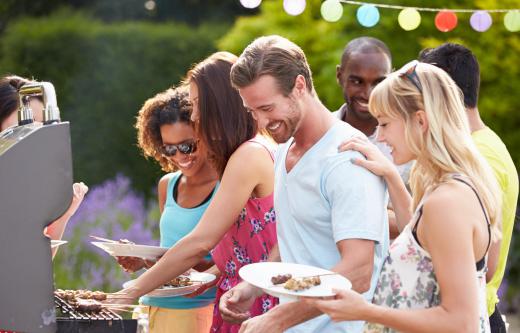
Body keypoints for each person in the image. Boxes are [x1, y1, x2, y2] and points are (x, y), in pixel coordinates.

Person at [308, 61, 502, 333]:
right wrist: (392, 176)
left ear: (420, 121)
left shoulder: (447, 202)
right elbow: (425, 246)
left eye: (385, 123)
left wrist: (365, 310)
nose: (381, 136)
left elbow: (461, 322)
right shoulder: (455, 188)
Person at [220, 35, 388, 333]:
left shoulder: (347, 157)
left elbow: (359, 271)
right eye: (252, 111)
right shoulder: (285, 147)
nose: (260, 122)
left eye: (267, 108)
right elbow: (297, 237)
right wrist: (254, 287)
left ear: (299, 86)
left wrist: (277, 318)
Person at [115, 52, 278, 333]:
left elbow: (202, 241)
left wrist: (128, 293)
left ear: (221, 104)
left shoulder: (249, 154)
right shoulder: (252, 150)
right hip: (242, 299)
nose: (195, 115)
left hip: (252, 304)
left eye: (198, 104)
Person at [419, 43, 519, 333]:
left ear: (445, 93)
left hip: (471, 318)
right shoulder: (476, 146)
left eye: (425, 94)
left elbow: (481, 261)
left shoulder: (479, 157)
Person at [116, 86, 219, 333]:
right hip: (153, 305)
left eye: (187, 146)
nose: (179, 156)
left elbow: (231, 259)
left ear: (204, 135)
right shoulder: (168, 185)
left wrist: (199, 271)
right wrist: (144, 260)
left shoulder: (225, 187)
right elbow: (172, 257)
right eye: (169, 149)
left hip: (196, 312)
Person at [0, 75, 88, 258]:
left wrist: (63, 214)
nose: (35, 139)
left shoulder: (32, 185)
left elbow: (35, 266)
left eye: (42, 128)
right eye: (22, 130)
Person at [335, 37, 412, 239]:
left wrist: (338, 210)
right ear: (339, 76)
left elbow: (419, 224)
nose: (368, 94)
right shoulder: (319, 134)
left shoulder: (411, 143)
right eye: (357, 81)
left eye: (379, 82)